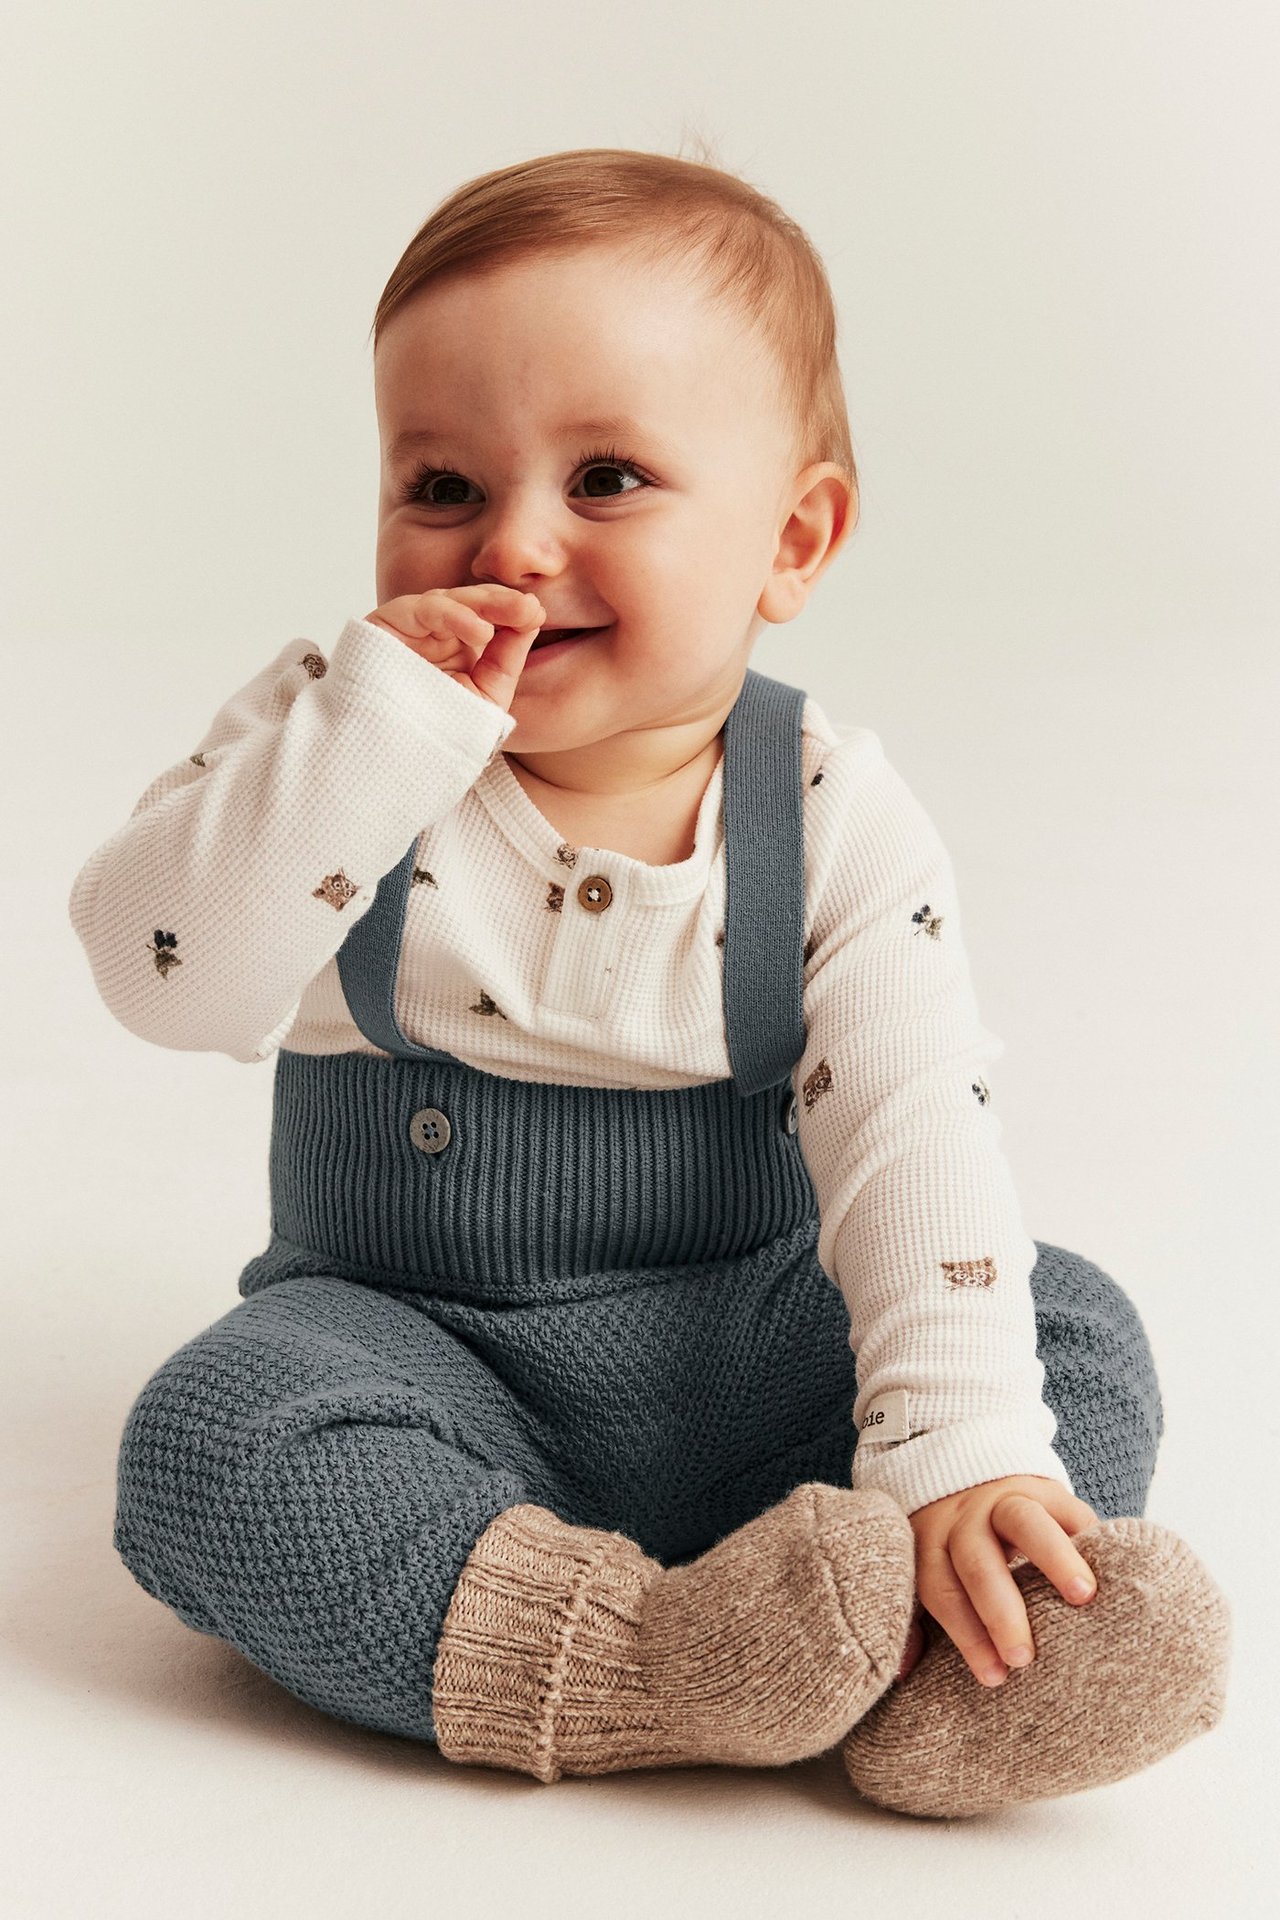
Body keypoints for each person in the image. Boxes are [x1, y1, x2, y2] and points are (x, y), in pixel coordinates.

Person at [69, 146, 1229, 1818]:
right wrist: (376, 737)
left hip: (745, 1350)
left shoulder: (828, 810)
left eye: (606, 479)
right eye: (443, 487)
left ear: (793, 539)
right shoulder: (332, 734)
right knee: (206, 1441)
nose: (517, 543)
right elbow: (160, 974)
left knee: (1058, 1323)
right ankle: (641, 1664)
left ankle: (954, 1650)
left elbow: (912, 1126)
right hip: (416, 1350)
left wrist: (956, 1446)